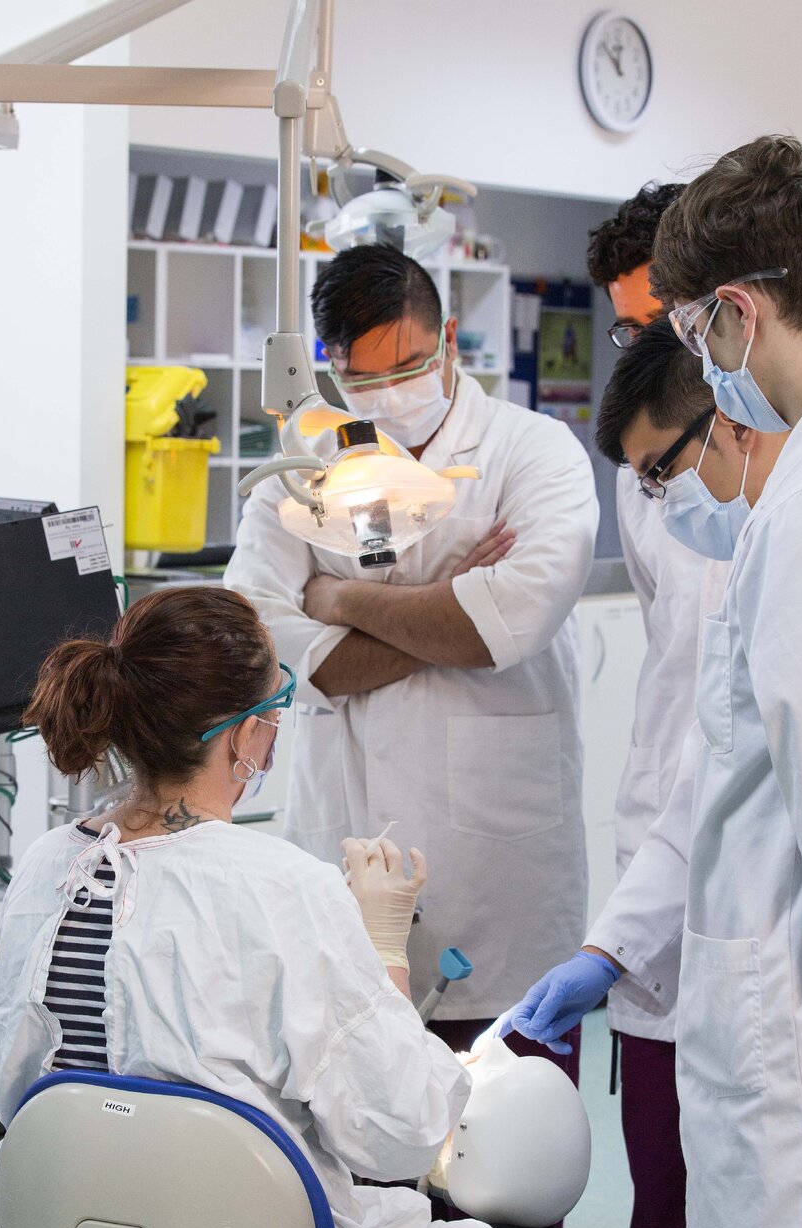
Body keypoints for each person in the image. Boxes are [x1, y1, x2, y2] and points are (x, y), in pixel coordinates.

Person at [0, 587, 584, 1228]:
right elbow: (402, 1137)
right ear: (247, 735)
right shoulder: (281, 885)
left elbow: (21, 1094)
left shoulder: (49, 867)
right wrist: (379, 951)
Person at [510, 135, 802, 1228]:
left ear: (736, 314)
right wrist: (611, 952)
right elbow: (727, 787)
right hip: (791, 1098)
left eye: (685, 328)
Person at [224, 244, 598, 1063]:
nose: (392, 392)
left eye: (411, 364)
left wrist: (341, 599)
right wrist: (448, 604)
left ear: (451, 339)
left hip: (500, 878)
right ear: (329, 366)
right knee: (360, 1154)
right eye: (365, 377)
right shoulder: (299, 474)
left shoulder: (535, 454)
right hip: (346, 848)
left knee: (510, 1154)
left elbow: (501, 627)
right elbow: (262, 641)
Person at [584, 184, 720, 1228]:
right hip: (664, 876)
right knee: (665, 1211)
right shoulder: (651, 470)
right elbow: (683, 705)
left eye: (661, 320)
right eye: (625, 327)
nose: (644, 344)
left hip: (754, 906)